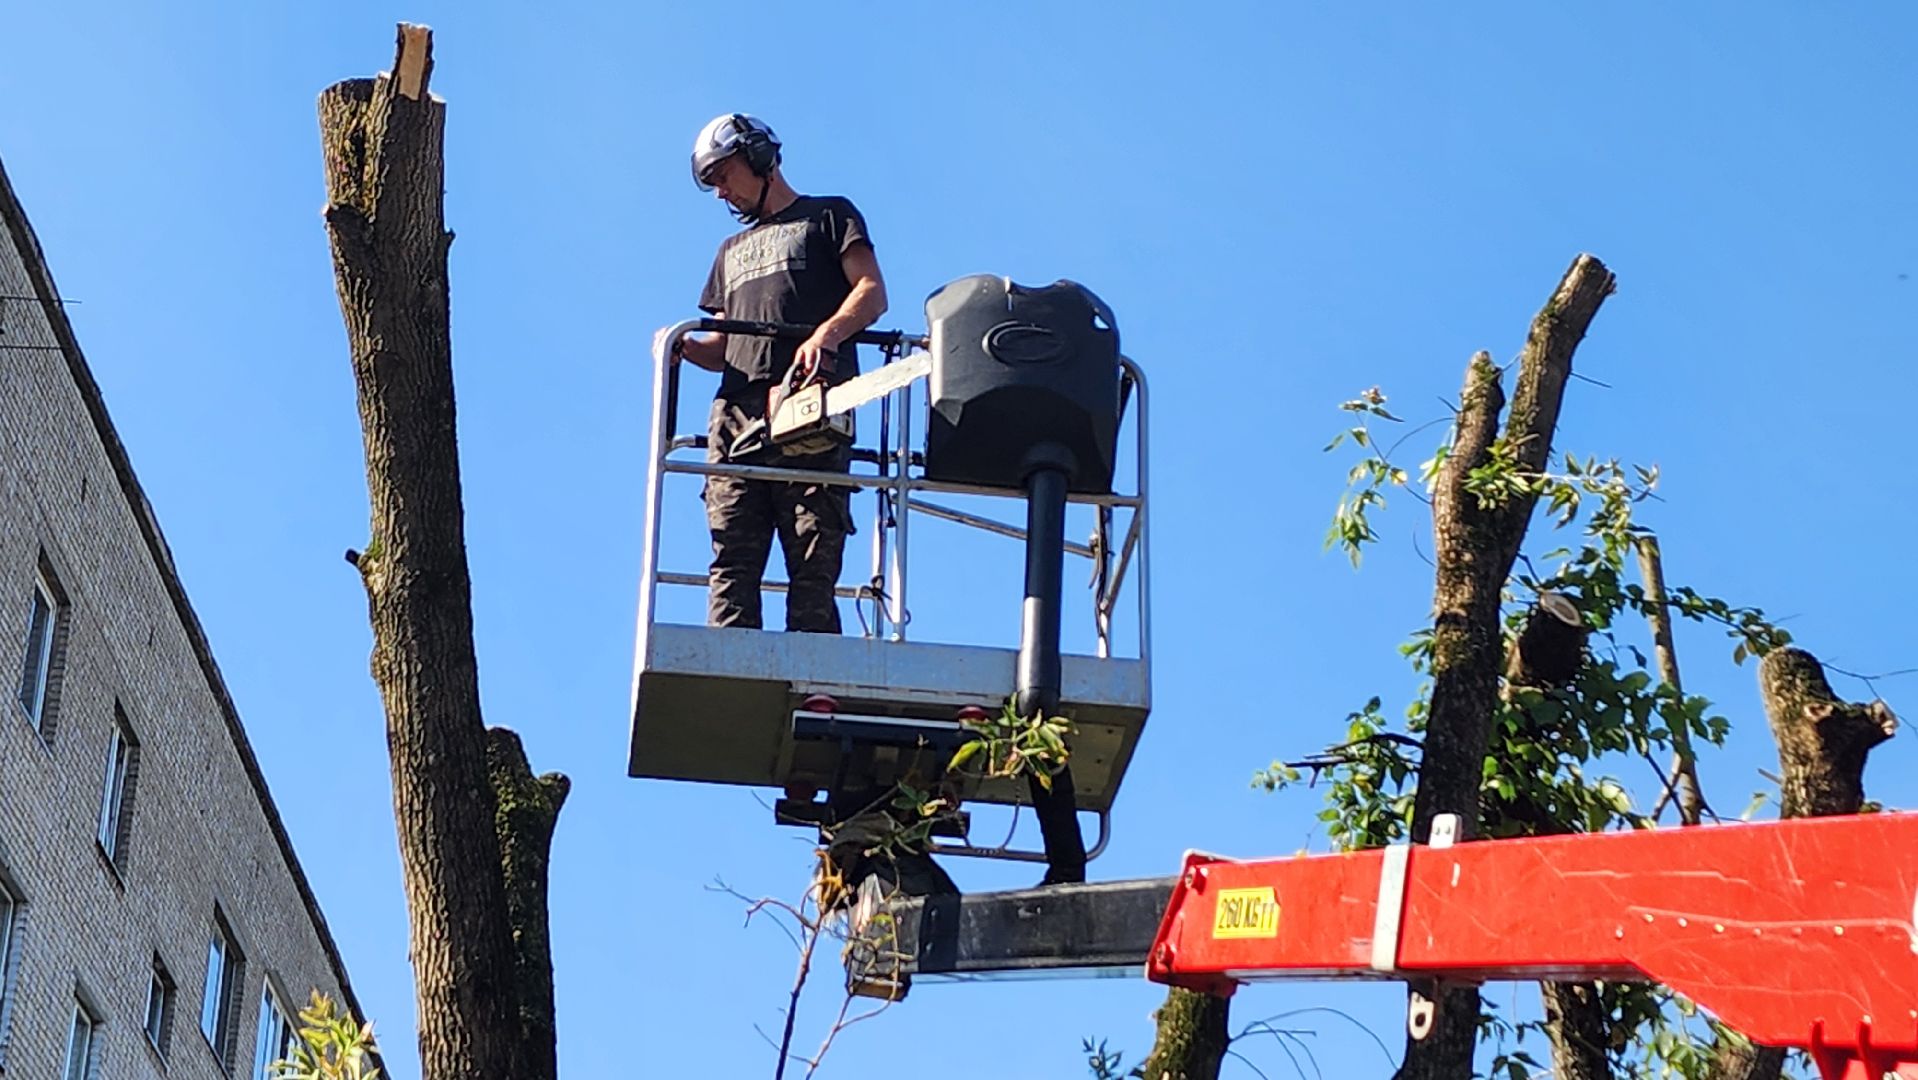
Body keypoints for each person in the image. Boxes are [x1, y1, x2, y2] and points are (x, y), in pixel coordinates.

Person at [657, 113, 887, 633]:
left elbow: (872, 292)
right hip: (736, 420)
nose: (720, 192)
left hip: (811, 410)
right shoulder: (728, 253)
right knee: (731, 556)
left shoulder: (829, 216)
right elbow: (721, 346)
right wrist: (684, 349)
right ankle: (726, 673)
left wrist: (825, 336)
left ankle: (814, 681)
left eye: (724, 174)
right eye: (711, 182)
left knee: (813, 556)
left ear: (760, 158)